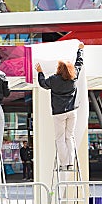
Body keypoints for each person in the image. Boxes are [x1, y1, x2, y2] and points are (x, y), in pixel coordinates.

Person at [35, 42, 84, 171]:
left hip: (59, 113)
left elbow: (43, 84)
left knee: (60, 138)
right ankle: (71, 163)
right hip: (72, 110)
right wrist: (80, 50)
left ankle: (63, 164)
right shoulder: (74, 77)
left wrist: (40, 72)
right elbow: (79, 63)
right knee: (70, 137)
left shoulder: (54, 79)